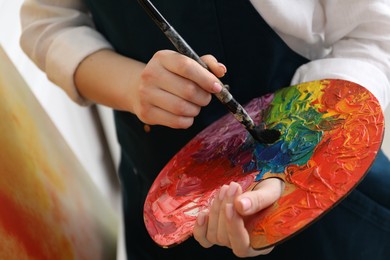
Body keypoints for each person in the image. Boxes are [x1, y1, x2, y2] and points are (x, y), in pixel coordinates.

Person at [20, 0, 390, 259]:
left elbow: (373, 33)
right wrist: (132, 86)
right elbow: (50, 24)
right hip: (163, 203)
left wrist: (290, 187)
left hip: (322, 180)